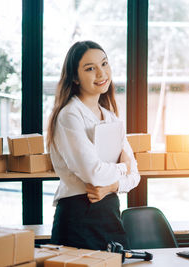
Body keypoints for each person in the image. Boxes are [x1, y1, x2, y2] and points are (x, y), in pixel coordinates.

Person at [46, 40, 140, 250]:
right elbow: (94, 173)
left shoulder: (111, 118)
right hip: (77, 218)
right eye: (90, 68)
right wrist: (122, 168)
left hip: (110, 215)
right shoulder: (69, 116)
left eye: (104, 64)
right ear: (74, 77)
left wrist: (111, 187)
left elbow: (136, 176)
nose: (101, 73)